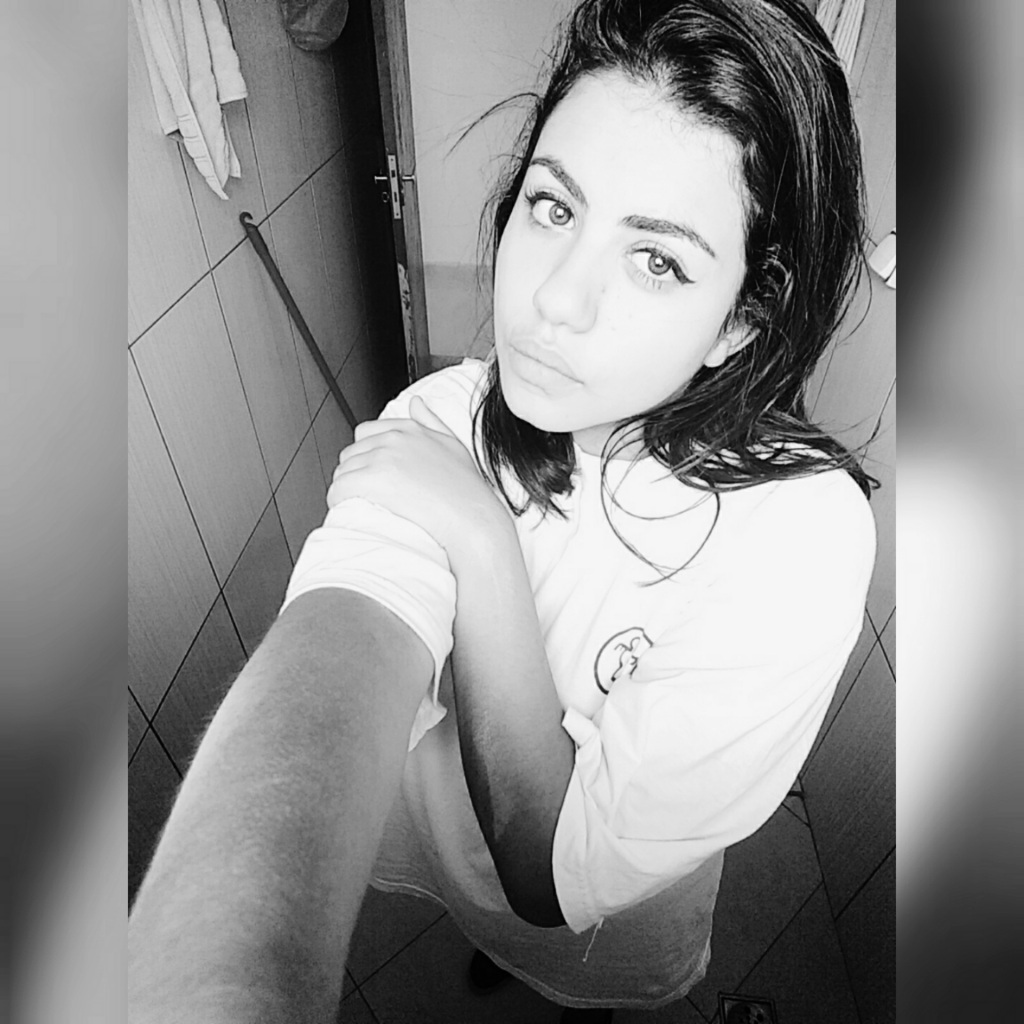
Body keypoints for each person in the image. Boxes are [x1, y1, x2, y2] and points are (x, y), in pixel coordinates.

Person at [129, 1, 877, 1021]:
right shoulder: (443, 422)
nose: (556, 299)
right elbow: (333, 655)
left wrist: (481, 541)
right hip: (468, 882)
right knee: (497, 930)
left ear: (741, 319)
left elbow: (549, 874)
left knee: (580, 987)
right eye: (554, 206)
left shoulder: (794, 535)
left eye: (657, 260)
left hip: (616, 936)